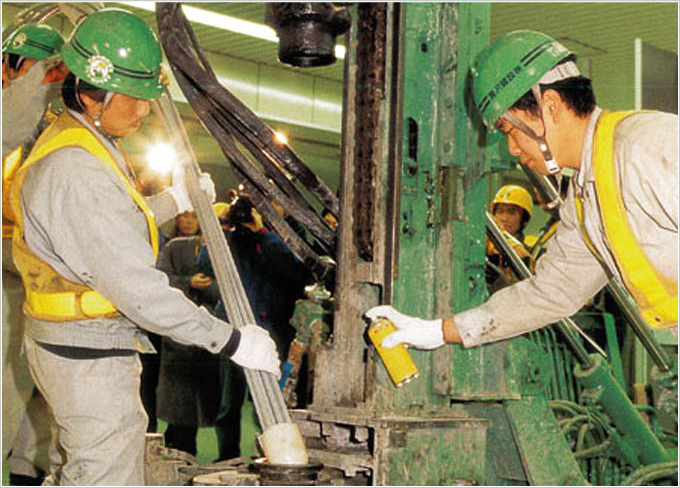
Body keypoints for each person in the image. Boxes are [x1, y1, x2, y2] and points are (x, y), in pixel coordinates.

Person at [8, 9, 279, 486]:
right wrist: (232, 340)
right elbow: (139, 291)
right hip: (87, 356)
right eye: (135, 99)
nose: (144, 110)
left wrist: (172, 201)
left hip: (74, 344)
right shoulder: (76, 168)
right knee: (103, 472)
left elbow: (105, 226)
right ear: (96, 94)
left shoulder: (83, 141)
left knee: (81, 464)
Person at [366, 30, 677, 353]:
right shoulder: (589, 197)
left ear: (551, 106)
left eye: (510, 130)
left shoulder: (647, 147)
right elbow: (553, 292)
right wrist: (439, 331)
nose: (513, 149)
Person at [2, 22, 67, 486]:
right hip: (11, 279)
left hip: (33, 289)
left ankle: (29, 469)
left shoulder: (53, 133)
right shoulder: (13, 122)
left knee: (37, 402)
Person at [198, 195, 311, 460]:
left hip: (271, 331)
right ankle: (227, 456)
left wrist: (262, 233)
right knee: (228, 404)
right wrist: (222, 229)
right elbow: (205, 263)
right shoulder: (230, 242)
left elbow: (295, 273)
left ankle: (273, 457)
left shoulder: (274, 241)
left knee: (270, 402)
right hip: (233, 332)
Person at [155, 211, 223, 457]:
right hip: (177, 334)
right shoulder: (175, 248)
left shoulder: (223, 253)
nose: (189, 221)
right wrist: (187, 282)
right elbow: (159, 280)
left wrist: (208, 288)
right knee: (178, 408)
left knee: (197, 407)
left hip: (209, 337)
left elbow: (229, 291)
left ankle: (186, 455)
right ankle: (177, 453)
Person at [486, 184, 535, 292]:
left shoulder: (530, 251)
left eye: (511, 212)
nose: (504, 218)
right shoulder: (484, 246)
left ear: (523, 218)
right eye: (500, 211)